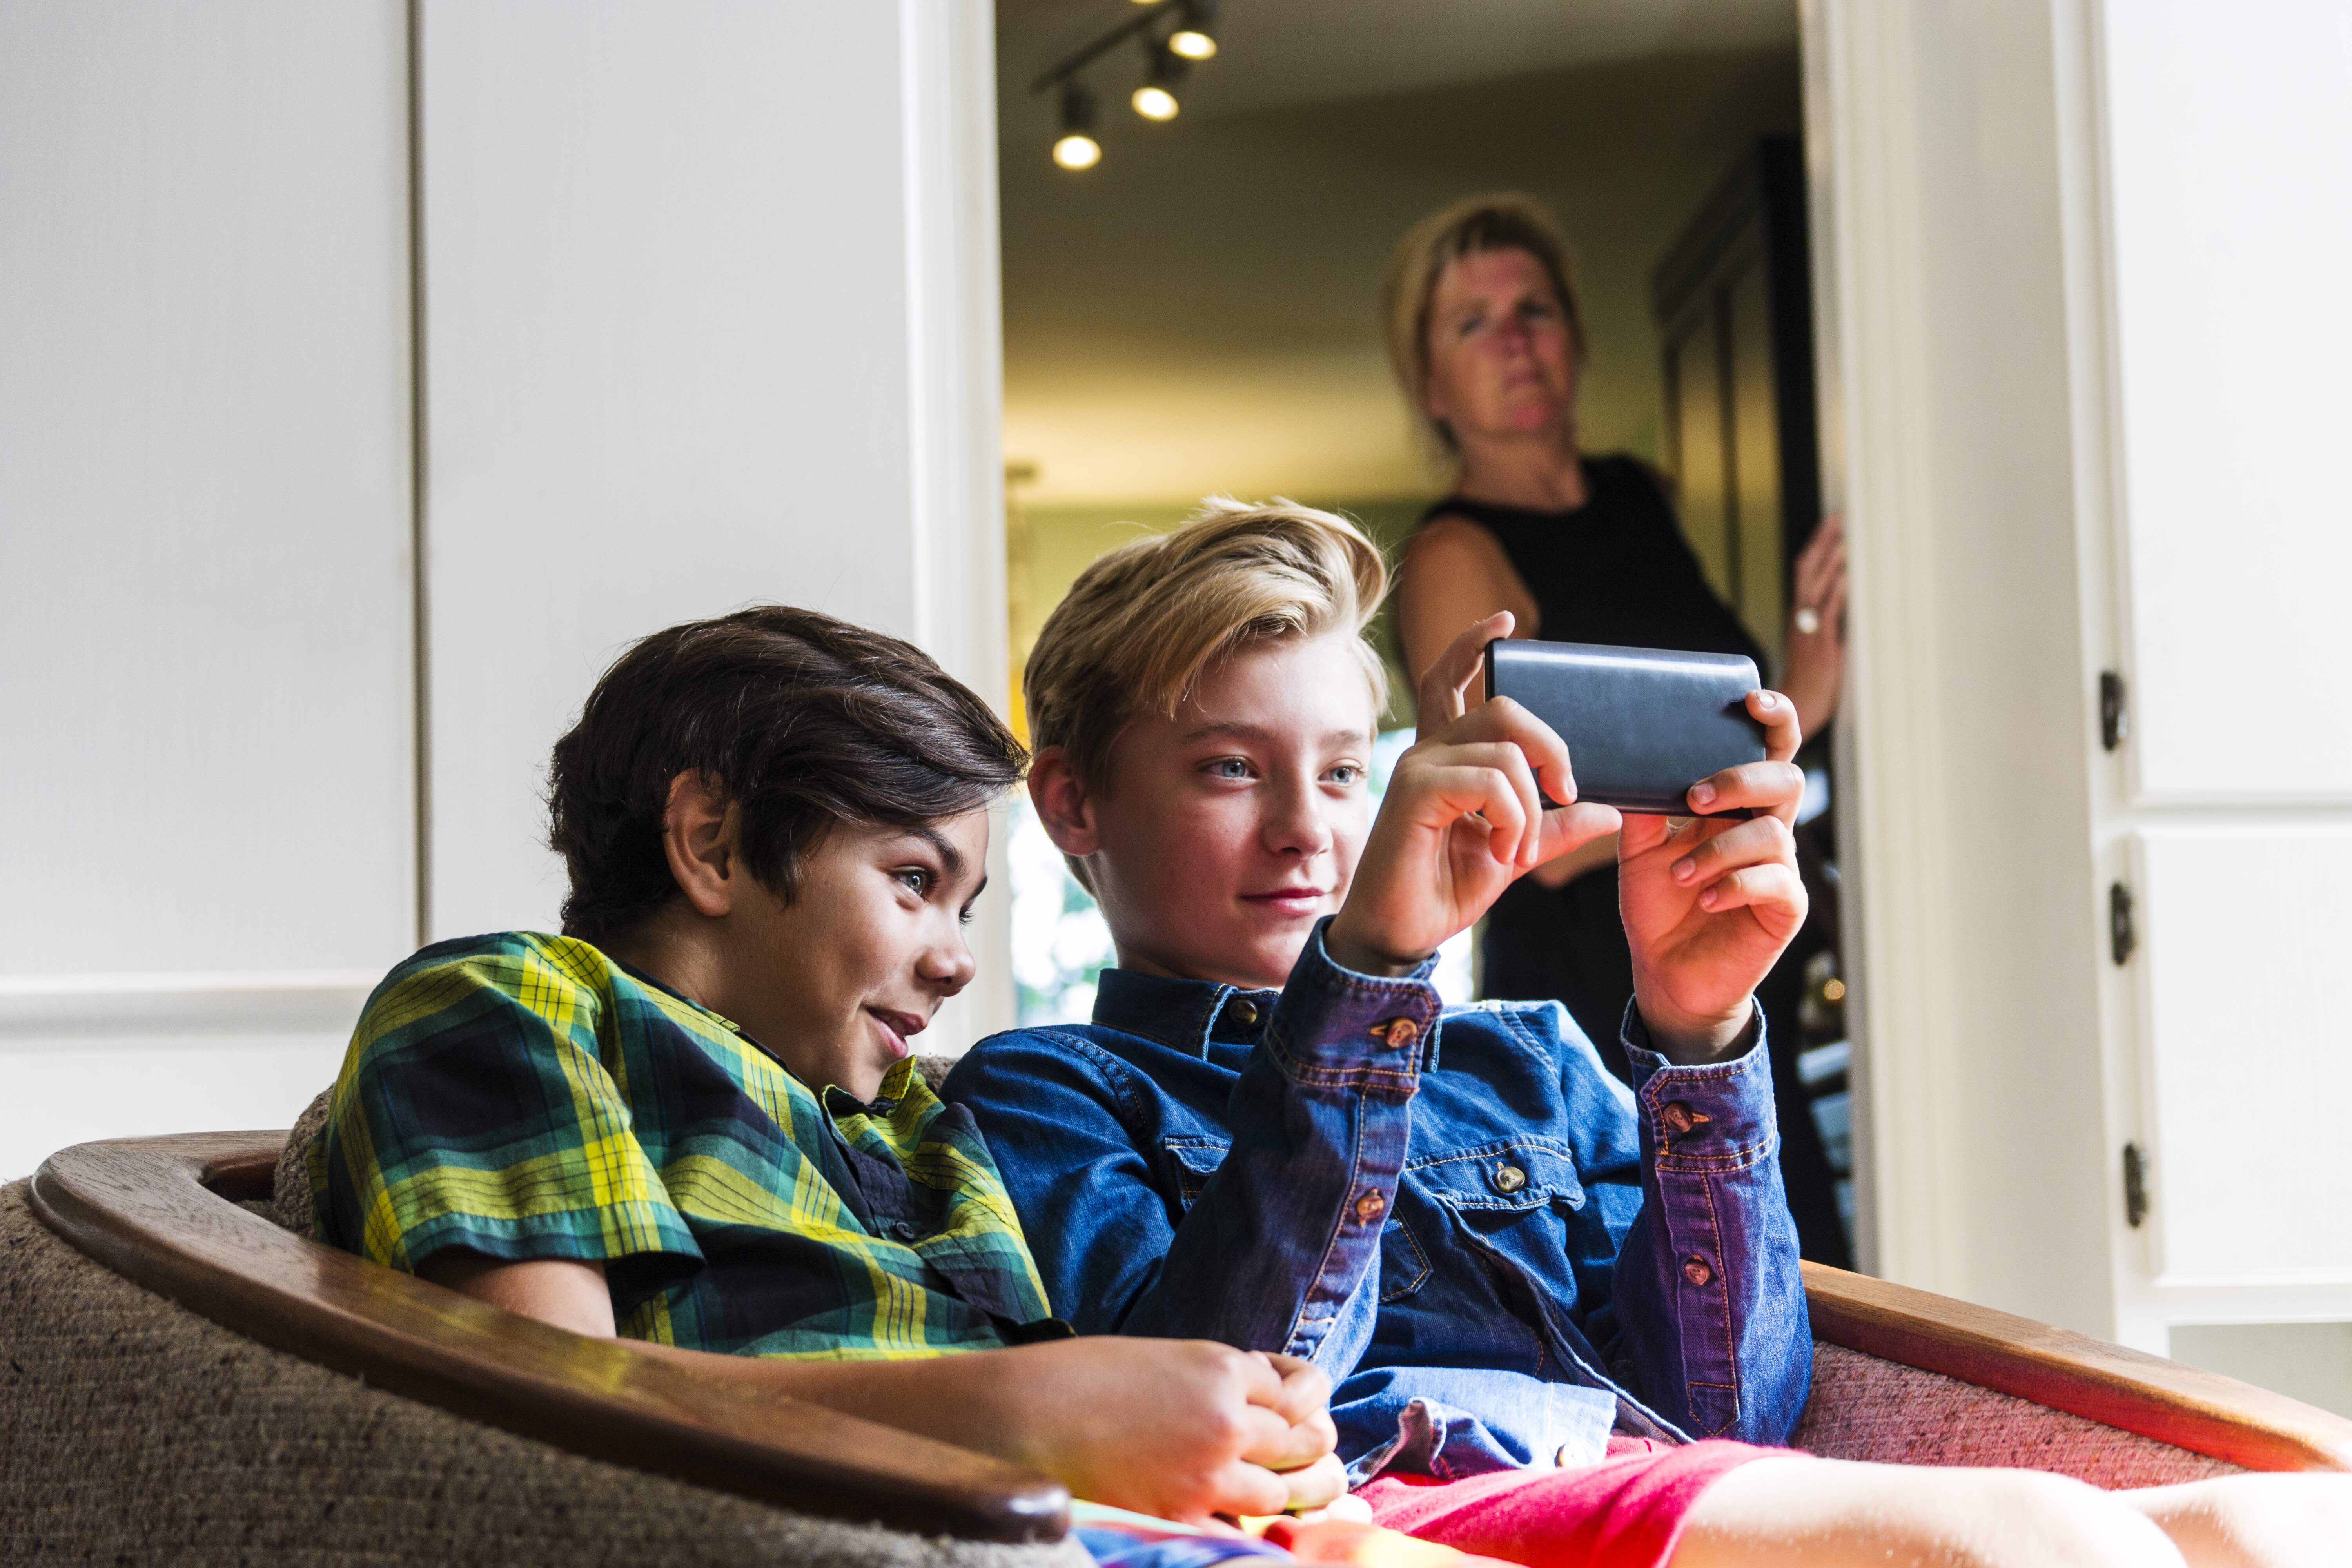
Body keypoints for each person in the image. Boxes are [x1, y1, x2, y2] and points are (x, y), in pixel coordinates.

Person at [944, 499, 2350, 1567]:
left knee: (2293, 1527)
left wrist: (1697, 1030)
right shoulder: (1048, 1094)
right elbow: (1233, 1412)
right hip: (1409, 1505)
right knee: (2038, 1541)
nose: (1309, 826)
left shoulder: (1533, 1062)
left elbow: (1736, 1401)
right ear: (1072, 808)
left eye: (1337, 769)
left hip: (1659, 1471)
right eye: (1229, 770)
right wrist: (1372, 969)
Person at [309, 605, 1344, 1528]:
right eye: (911, 880)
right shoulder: (520, 1003)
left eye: (965, 906)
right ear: (712, 844)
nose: (957, 960)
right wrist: (1020, 1413)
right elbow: (538, 1412)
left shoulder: (917, 1123)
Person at [1383, 194, 1851, 1266]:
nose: (1515, 337)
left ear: (1575, 341)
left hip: (1714, 935)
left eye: (1535, 308)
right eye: (1473, 321)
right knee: (1657, 1274)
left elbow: (1683, 723)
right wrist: (1798, 721)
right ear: (1429, 383)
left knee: (1793, 1271)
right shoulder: (1456, 552)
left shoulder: (1643, 496)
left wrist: (1791, 688)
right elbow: (1522, 827)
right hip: (1594, 971)